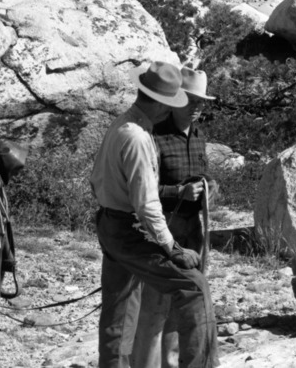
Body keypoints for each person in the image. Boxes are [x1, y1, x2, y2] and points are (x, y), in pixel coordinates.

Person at [93, 61, 216, 368]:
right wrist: (171, 248)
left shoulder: (122, 125)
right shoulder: (138, 138)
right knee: (194, 286)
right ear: (160, 103)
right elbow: (147, 205)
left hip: (111, 223)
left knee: (119, 313)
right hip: (130, 229)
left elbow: (96, 181)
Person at [131, 67, 214, 368]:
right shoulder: (156, 135)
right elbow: (143, 188)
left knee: (185, 304)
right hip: (163, 231)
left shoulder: (200, 136)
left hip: (194, 231)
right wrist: (179, 192)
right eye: (193, 100)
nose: (197, 108)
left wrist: (209, 187)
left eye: (202, 102)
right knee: (156, 306)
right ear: (178, 98)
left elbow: (204, 174)